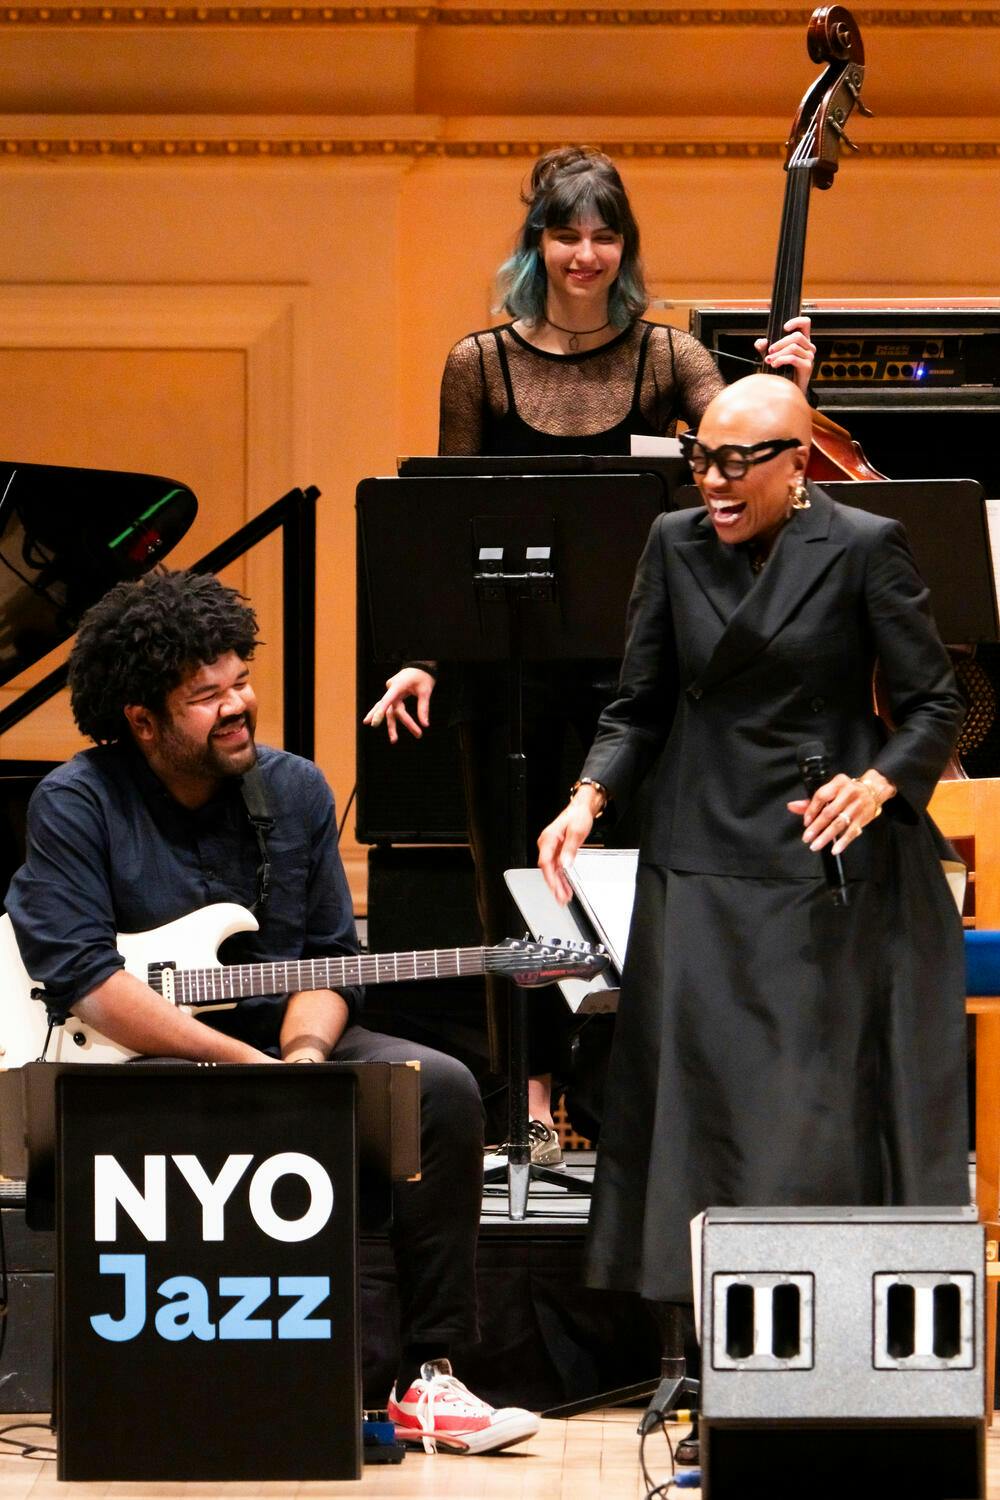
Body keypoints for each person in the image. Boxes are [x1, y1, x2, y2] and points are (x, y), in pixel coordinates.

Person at [4, 568, 539, 1458]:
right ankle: (172, 1382)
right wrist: (243, 1066)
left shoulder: (294, 791)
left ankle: (427, 1376)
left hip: (281, 1039)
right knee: (167, 1100)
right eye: (205, 696)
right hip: (140, 1055)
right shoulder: (76, 802)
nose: (237, 706)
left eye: (241, 681)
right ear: (142, 720)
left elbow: (327, 958)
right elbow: (89, 980)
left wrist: (303, 1058)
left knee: (440, 1090)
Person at [366, 146, 816, 1157]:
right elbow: (450, 524)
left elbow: (743, 453)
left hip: (640, 672)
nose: (585, 254)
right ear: (536, 244)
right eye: (566, 234)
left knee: (636, 884)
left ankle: (618, 1100)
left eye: (603, 235)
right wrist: (428, 656)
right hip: (508, 672)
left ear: (626, 246)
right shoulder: (478, 363)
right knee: (515, 884)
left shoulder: (666, 357)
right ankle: (526, 1099)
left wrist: (787, 388)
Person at [537, 372, 969, 1306]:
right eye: (702, 459)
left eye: (735, 463)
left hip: (820, 859)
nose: (712, 482)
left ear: (797, 462)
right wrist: (587, 799)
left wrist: (878, 782)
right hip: (698, 851)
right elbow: (639, 706)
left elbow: (936, 705)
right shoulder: (673, 542)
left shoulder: (864, 547)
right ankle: (694, 1329)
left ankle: (818, 1317)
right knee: (697, 1101)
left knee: (799, 1110)